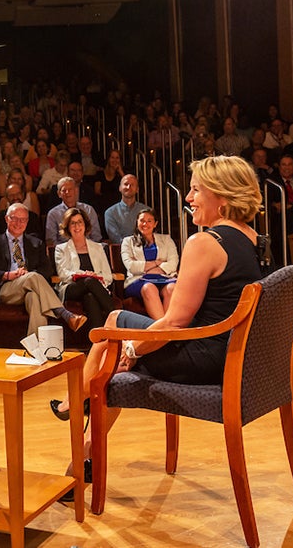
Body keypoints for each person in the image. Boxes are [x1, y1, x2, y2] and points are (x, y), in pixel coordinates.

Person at [50, 156, 264, 484]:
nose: (189, 198)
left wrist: (134, 350)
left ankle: (79, 438)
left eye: (195, 190)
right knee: (114, 335)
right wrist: (133, 347)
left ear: (221, 196)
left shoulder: (205, 242)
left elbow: (176, 324)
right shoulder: (253, 239)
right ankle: (81, 431)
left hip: (203, 357)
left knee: (112, 340)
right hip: (232, 355)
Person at [0, 202, 86, 335]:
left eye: (23, 220)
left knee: (35, 298)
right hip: (6, 290)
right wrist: (8, 275)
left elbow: (47, 269)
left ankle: (35, 348)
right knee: (33, 277)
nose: (19, 223)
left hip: (32, 287)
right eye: (15, 218)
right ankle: (63, 313)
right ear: (7, 219)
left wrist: (27, 274)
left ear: (27, 221)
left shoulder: (36, 243)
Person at [54, 207, 114, 331]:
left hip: (94, 288)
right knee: (89, 281)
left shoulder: (98, 247)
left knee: (90, 297)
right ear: (67, 227)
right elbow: (63, 274)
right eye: (73, 223)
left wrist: (97, 281)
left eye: (80, 222)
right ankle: (116, 315)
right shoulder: (61, 249)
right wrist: (84, 274)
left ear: (85, 225)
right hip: (71, 287)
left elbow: (108, 276)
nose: (77, 226)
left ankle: (97, 342)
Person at [120, 208, 179, 319]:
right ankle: (163, 331)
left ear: (155, 224)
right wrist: (157, 263)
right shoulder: (128, 241)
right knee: (149, 288)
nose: (145, 224)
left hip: (165, 278)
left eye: (149, 221)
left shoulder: (166, 239)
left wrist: (149, 268)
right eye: (142, 220)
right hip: (138, 280)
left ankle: (168, 330)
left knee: (172, 288)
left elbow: (173, 262)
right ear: (137, 222)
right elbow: (131, 266)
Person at [46, 176, 102, 245]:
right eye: (64, 190)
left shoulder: (88, 210)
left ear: (76, 191)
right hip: (64, 252)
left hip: (89, 249)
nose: (67, 192)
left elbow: (96, 237)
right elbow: (51, 241)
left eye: (70, 189)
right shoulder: (53, 214)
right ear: (59, 194)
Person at [104, 174, 150, 244]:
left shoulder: (147, 211)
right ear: (120, 188)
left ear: (137, 189)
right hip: (121, 252)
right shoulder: (110, 213)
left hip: (145, 249)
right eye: (126, 184)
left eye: (132, 185)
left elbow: (149, 235)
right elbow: (115, 238)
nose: (128, 187)